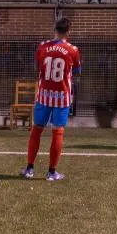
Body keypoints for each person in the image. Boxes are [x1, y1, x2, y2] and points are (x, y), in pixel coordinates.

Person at [22, 18, 81, 181]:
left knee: (37, 130)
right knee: (58, 132)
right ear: (68, 32)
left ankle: (29, 169)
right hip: (62, 96)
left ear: (54, 29)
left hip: (44, 94)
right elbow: (77, 70)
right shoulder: (73, 49)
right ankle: (52, 171)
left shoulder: (43, 46)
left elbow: (38, 67)